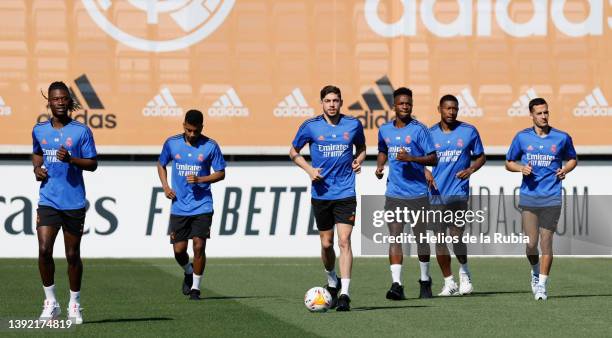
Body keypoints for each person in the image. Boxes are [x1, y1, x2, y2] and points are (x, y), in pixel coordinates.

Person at [290, 85, 366, 311]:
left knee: (344, 241)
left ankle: (344, 293)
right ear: (321, 103)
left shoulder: (353, 124)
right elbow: (293, 151)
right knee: (326, 243)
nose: (332, 104)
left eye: (335, 100)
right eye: (327, 101)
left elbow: (361, 147)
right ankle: (331, 278)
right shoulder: (311, 126)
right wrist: (309, 170)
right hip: (321, 194)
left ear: (341, 102)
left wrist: (358, 159)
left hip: (345, 193)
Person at [33, 81, 98, 324]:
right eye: (55, 99)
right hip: (48, 199)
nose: (59, 102)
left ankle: (74, 303)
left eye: (63, 99)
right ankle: (50, 302)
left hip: (73, 202)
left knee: (72, 254)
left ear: (69, 102)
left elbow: (92, 164)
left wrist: (72, 159)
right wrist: (37, 168)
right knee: (44, 250)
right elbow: (38, 153)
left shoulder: (81, 131)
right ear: (48, 102)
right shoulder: (39, 129)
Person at [505, 97, 577, 300]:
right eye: (539, 113)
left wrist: (565, 170)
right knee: (531, 243)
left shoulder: (561, 137)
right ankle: (535, 271)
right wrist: (521, 168)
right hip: (530, 197)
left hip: (552, 197)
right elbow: (509, 162)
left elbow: (572, 159)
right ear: (531, 115)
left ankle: (542, 286)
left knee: (546, 242)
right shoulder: (522, 137)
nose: (544, 116)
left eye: (546, 112)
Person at [157, 109, 226, 300]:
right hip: (179, 206)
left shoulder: (211, 146)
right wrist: (165, 187)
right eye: (189, 130)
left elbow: (221, 173)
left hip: (202, 205)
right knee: (179, 250)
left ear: (202, 128)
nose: (192, 134)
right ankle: (188, 271)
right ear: (184, 126)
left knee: (198, 246)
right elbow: (161, 164)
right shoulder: (172, 143)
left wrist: (201, 179)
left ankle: (196, 288)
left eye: (196, 131)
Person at [376, 87, 437, 300]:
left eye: (408, 104)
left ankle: (425, 280)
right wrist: (380, 166)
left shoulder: (420, 130)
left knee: (420, 238)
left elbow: (433, 158)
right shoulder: (384, 129)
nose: (405, 107)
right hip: (394, 193)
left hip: (418, 193)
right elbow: (383, 149)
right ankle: (397, 284)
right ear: (394, 105)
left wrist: (412, 159)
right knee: (395, 237)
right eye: (401, 103)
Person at [425, 94, 485, 296]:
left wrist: (471, 170)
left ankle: (465, 272)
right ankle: (449, 282)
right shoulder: (429, 133)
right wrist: (425, 172)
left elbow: (480, 157)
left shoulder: (468, 131)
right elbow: (417, 160)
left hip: (458, 193)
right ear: (439, 109)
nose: (451, 112)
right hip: (435, 195)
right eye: (447, 108)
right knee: (439, 239)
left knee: (456, 236)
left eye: (454, 109)